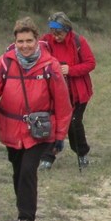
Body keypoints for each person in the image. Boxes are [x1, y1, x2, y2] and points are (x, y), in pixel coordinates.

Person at [0, 17, 72, 221]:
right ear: (15, 41)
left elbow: (62, 104)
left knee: (28, 171)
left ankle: (26, 220)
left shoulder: (50, 66)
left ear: (37, 40)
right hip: (11, 129)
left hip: (39, 131)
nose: (25, 45)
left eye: (29, 40)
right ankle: (23, 209)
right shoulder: (5, 62)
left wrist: (60, 136)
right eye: (20, 41)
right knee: (18, 170)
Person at [38, 11, 97, 170]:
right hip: (53, 91)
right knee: (51, 123)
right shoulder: (45, 41)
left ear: (67, 30)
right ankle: (47, 157)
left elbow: (90, 63)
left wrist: (70, 70)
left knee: (73, 124)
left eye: (59, 33)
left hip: (77, 92)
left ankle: (82, 154)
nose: (56, 37)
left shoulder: (78, 41)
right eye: (53, 33)